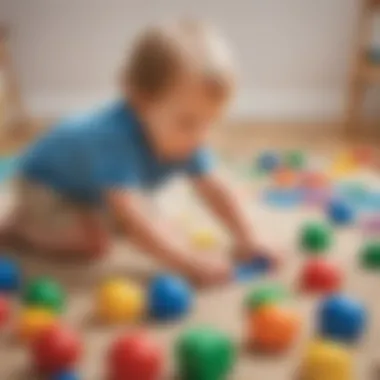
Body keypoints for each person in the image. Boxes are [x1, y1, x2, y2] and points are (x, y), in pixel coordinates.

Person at [0, 20, 278, 285]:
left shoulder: (187, 136)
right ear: (140, 101)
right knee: (94, 242)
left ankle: (81, 215)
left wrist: (248, 238)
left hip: (93, 189)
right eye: (188, 123)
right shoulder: (112, 138)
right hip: (45, 186)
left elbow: (214, 187)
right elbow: (132, 219)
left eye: (209, 123)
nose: (199, 136)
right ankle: (18, 228)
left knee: (158, 222)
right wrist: (189, 263)